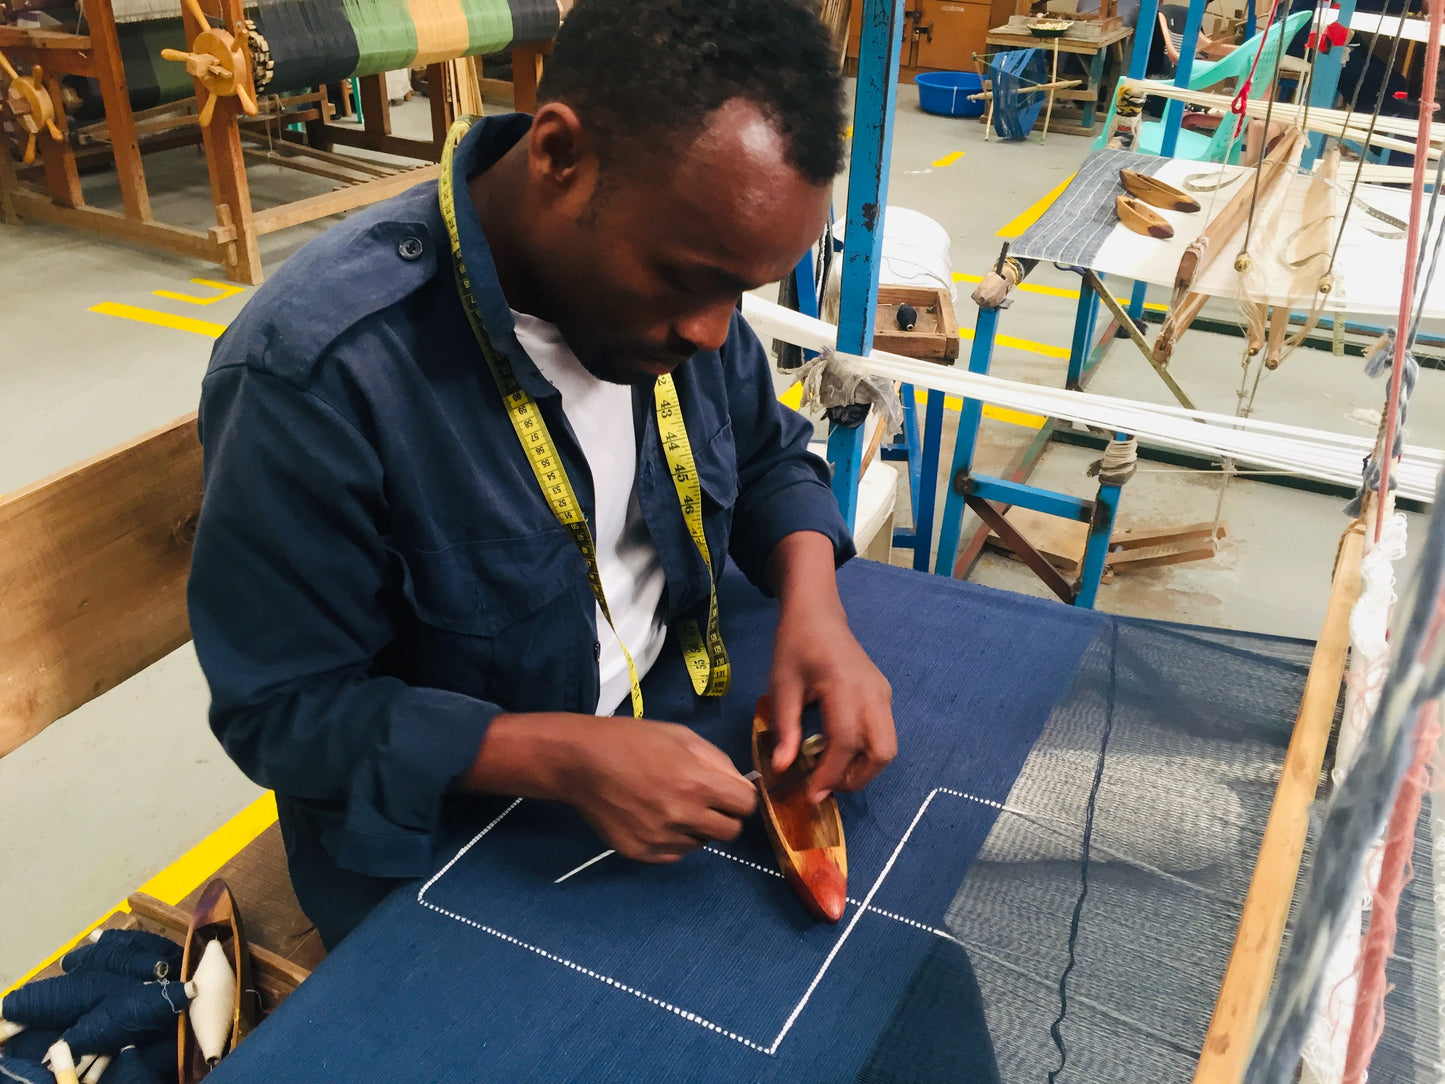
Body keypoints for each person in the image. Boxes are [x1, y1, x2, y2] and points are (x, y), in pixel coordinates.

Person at [187, 0, 897, 948]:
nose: (715, 333)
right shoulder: (321, 373)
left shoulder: (682, 293)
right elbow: (280, 711)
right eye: (690, 279)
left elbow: (768, 454)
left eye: (744, 291)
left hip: (679, 720)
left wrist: (816, 608)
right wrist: (558, 758)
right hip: (454, 833)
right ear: (560, 157)